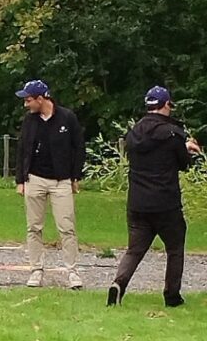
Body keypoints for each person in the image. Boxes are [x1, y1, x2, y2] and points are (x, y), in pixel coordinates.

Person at [107, 86, 201, 308]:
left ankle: (119, 283)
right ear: (166, 104)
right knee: (175, 249)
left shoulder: (134, 134)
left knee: (135, 250)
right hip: (166, 203)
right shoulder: (172, 134)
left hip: (138, 203)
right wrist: (187, 149)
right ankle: (172, 296)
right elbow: (184, 164)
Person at [14, 79, 85, 289]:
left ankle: (72, 271)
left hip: (61, 181)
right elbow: (21, 150)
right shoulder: (30, 121)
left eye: (28, 100)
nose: (26, 104)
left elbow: (78, 148)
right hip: (34, 179)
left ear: (41, 98)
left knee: (67, 227)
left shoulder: (67, 118)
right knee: (33, 227)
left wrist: (75, 177)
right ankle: (36, 270)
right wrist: (20, 180)